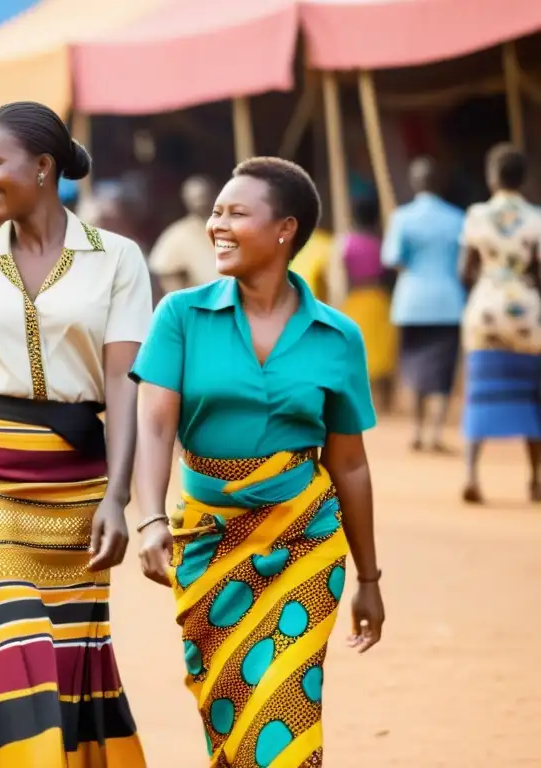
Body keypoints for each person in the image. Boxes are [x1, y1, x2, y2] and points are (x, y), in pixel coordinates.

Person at [0, 101, 151, 766]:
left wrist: (118, 497)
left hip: (79, 479)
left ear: (43, 167)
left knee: (69, 659)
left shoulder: (118, 259)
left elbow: (126, 385)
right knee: (12, 648)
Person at [132, 157, 385, 767]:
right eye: (216, 212)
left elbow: (349, 464)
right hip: (207, 542)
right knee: (228, 712)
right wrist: (150, 518)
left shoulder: (337, 336)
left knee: (284, 712)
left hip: (304, 541)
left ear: (285, 230)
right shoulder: (181, 316)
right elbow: (155, 422)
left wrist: (370, 580)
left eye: (235, 213)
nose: (217, 224)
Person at [459, 143, 541, 504]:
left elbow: (465, 271)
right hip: (526, 312)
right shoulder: (537, 217)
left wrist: (489, 285)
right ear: (524, 178)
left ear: (492, 177)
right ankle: (535, 480)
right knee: (532, 397)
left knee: (478, 393)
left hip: (485, 310)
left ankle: (472, 476)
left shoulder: (476, 215)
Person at [382, 156, 466, 452]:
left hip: (412, 302)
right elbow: (464, 263)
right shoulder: (457, 217)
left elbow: (392, 258)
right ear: (438, 183)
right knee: (443, 370)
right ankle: (435, 433)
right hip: (448, 301)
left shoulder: (402, 217)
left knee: (415, 366)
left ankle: (417, 430)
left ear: (414, 183)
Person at [340, 196, 398, 411]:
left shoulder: (345, 244)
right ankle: (385, 402)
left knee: (358, 351)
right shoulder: (380, 243)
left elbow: (341, 276)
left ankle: (360, 402)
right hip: (378, 297)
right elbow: (390, 272)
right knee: (383, 352)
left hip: (355, 298)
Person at [149, 175, 221, 292]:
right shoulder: (177, 234)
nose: (200, 202)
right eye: (195, 198)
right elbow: (166, 274)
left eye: (203, 196)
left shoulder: (234, 225)